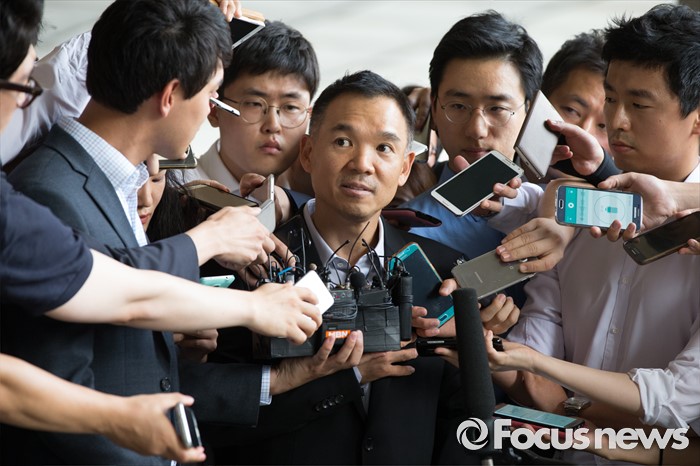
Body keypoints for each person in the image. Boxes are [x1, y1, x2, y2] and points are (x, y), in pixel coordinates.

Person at [2, 1, 319, 464]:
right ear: (170, 95)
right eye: (212, 94)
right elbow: (62, 375)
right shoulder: (49, 190)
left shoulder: (127, 184)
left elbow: (120, 289)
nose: (210, 109)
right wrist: (248, 300)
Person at [207, 70, 520, 465]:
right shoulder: (249, 264)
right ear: (308, 153)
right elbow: (217, 418)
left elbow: (462, 419)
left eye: (384, 148)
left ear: (405, 167)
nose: (362, 164)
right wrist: (344, 380)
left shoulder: (444, 272)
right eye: (343, 142)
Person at [493, 5, 700, 464]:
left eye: (639, 104)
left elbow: (677, 402)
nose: (617, 120)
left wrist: (556, 390)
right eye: (612, 98)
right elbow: (539, 345)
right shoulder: (577, 217)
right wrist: (492, 350)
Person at [400, 10, 543, 261]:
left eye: (497, 109)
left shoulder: (560, 210)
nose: (477, 130)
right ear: (434, 109)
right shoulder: (408, 233)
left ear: (529, 113)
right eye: (458, 106)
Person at [182, 19, 319, 207]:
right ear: (214, 109)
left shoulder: (317, 199)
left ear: (309, 116)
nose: (273, 125)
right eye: (254, 104)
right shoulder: (175, 192)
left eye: (291, 107)